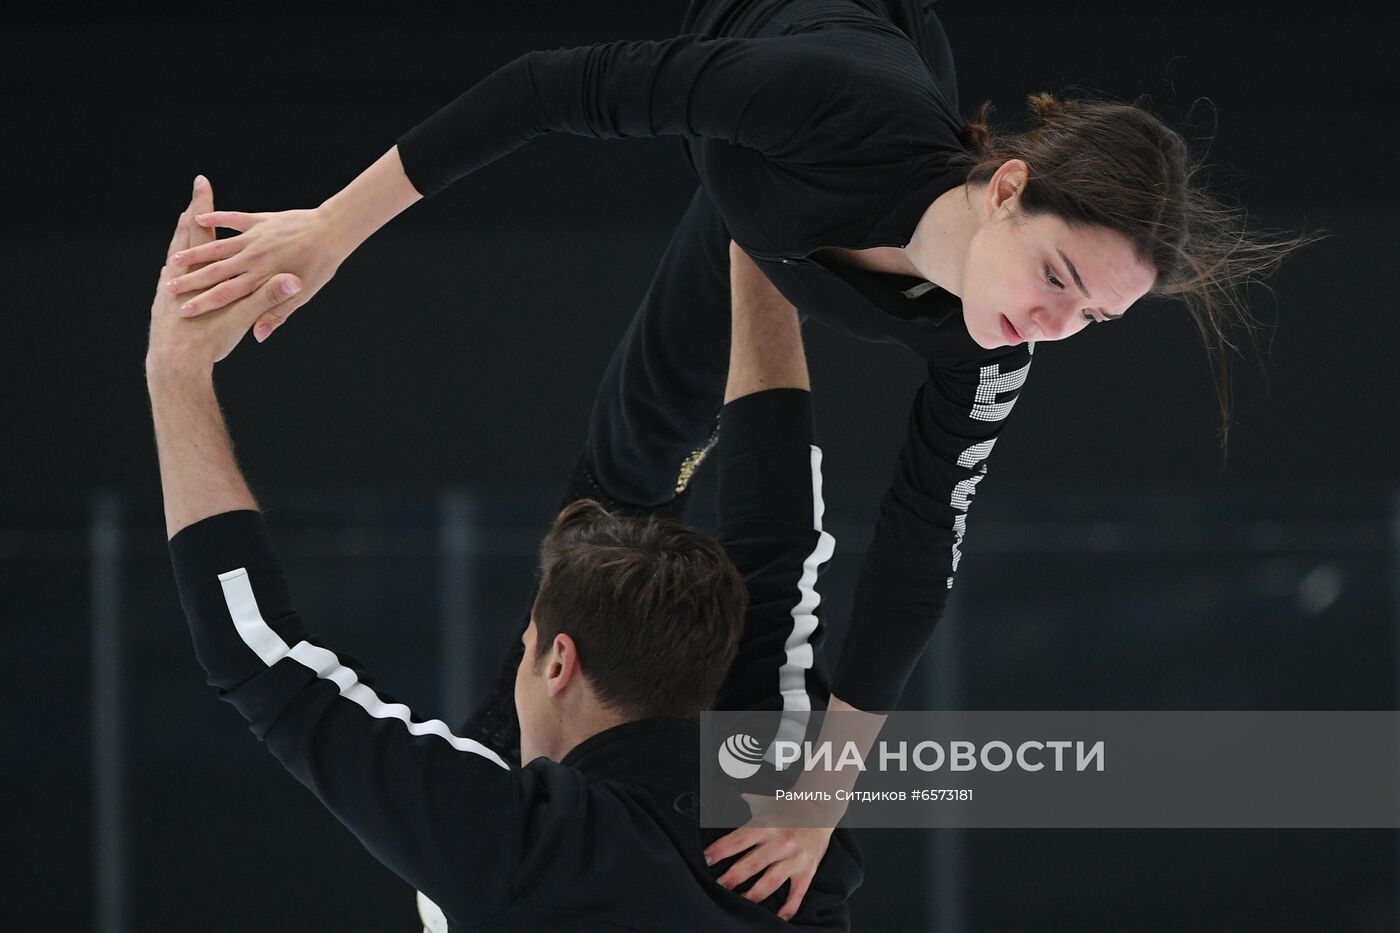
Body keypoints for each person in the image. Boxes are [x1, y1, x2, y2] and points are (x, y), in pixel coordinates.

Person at [162, 0, 1309, 908]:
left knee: (617, 521)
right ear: (1006, 188)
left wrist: (819, 796)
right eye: (1058, 280)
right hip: (777, 82)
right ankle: (499, 772)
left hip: (762, 208)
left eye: (1090, 324)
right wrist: (326, 230)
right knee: (640, 504)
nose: (1051, 328)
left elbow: (915, 556)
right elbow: (551, 87)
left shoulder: (988, 353)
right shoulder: (825, 103)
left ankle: (502, 773)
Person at [149, 176, 862, 930]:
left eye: (525, 650)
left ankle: (750, 169)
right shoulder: (778, 836)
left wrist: (174, 368)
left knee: (629, 470)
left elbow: (778, 532)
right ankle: (751, 166)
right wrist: (178, 373)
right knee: (630, 468)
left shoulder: (549, 840)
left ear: (558, 663)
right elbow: (254, 653)